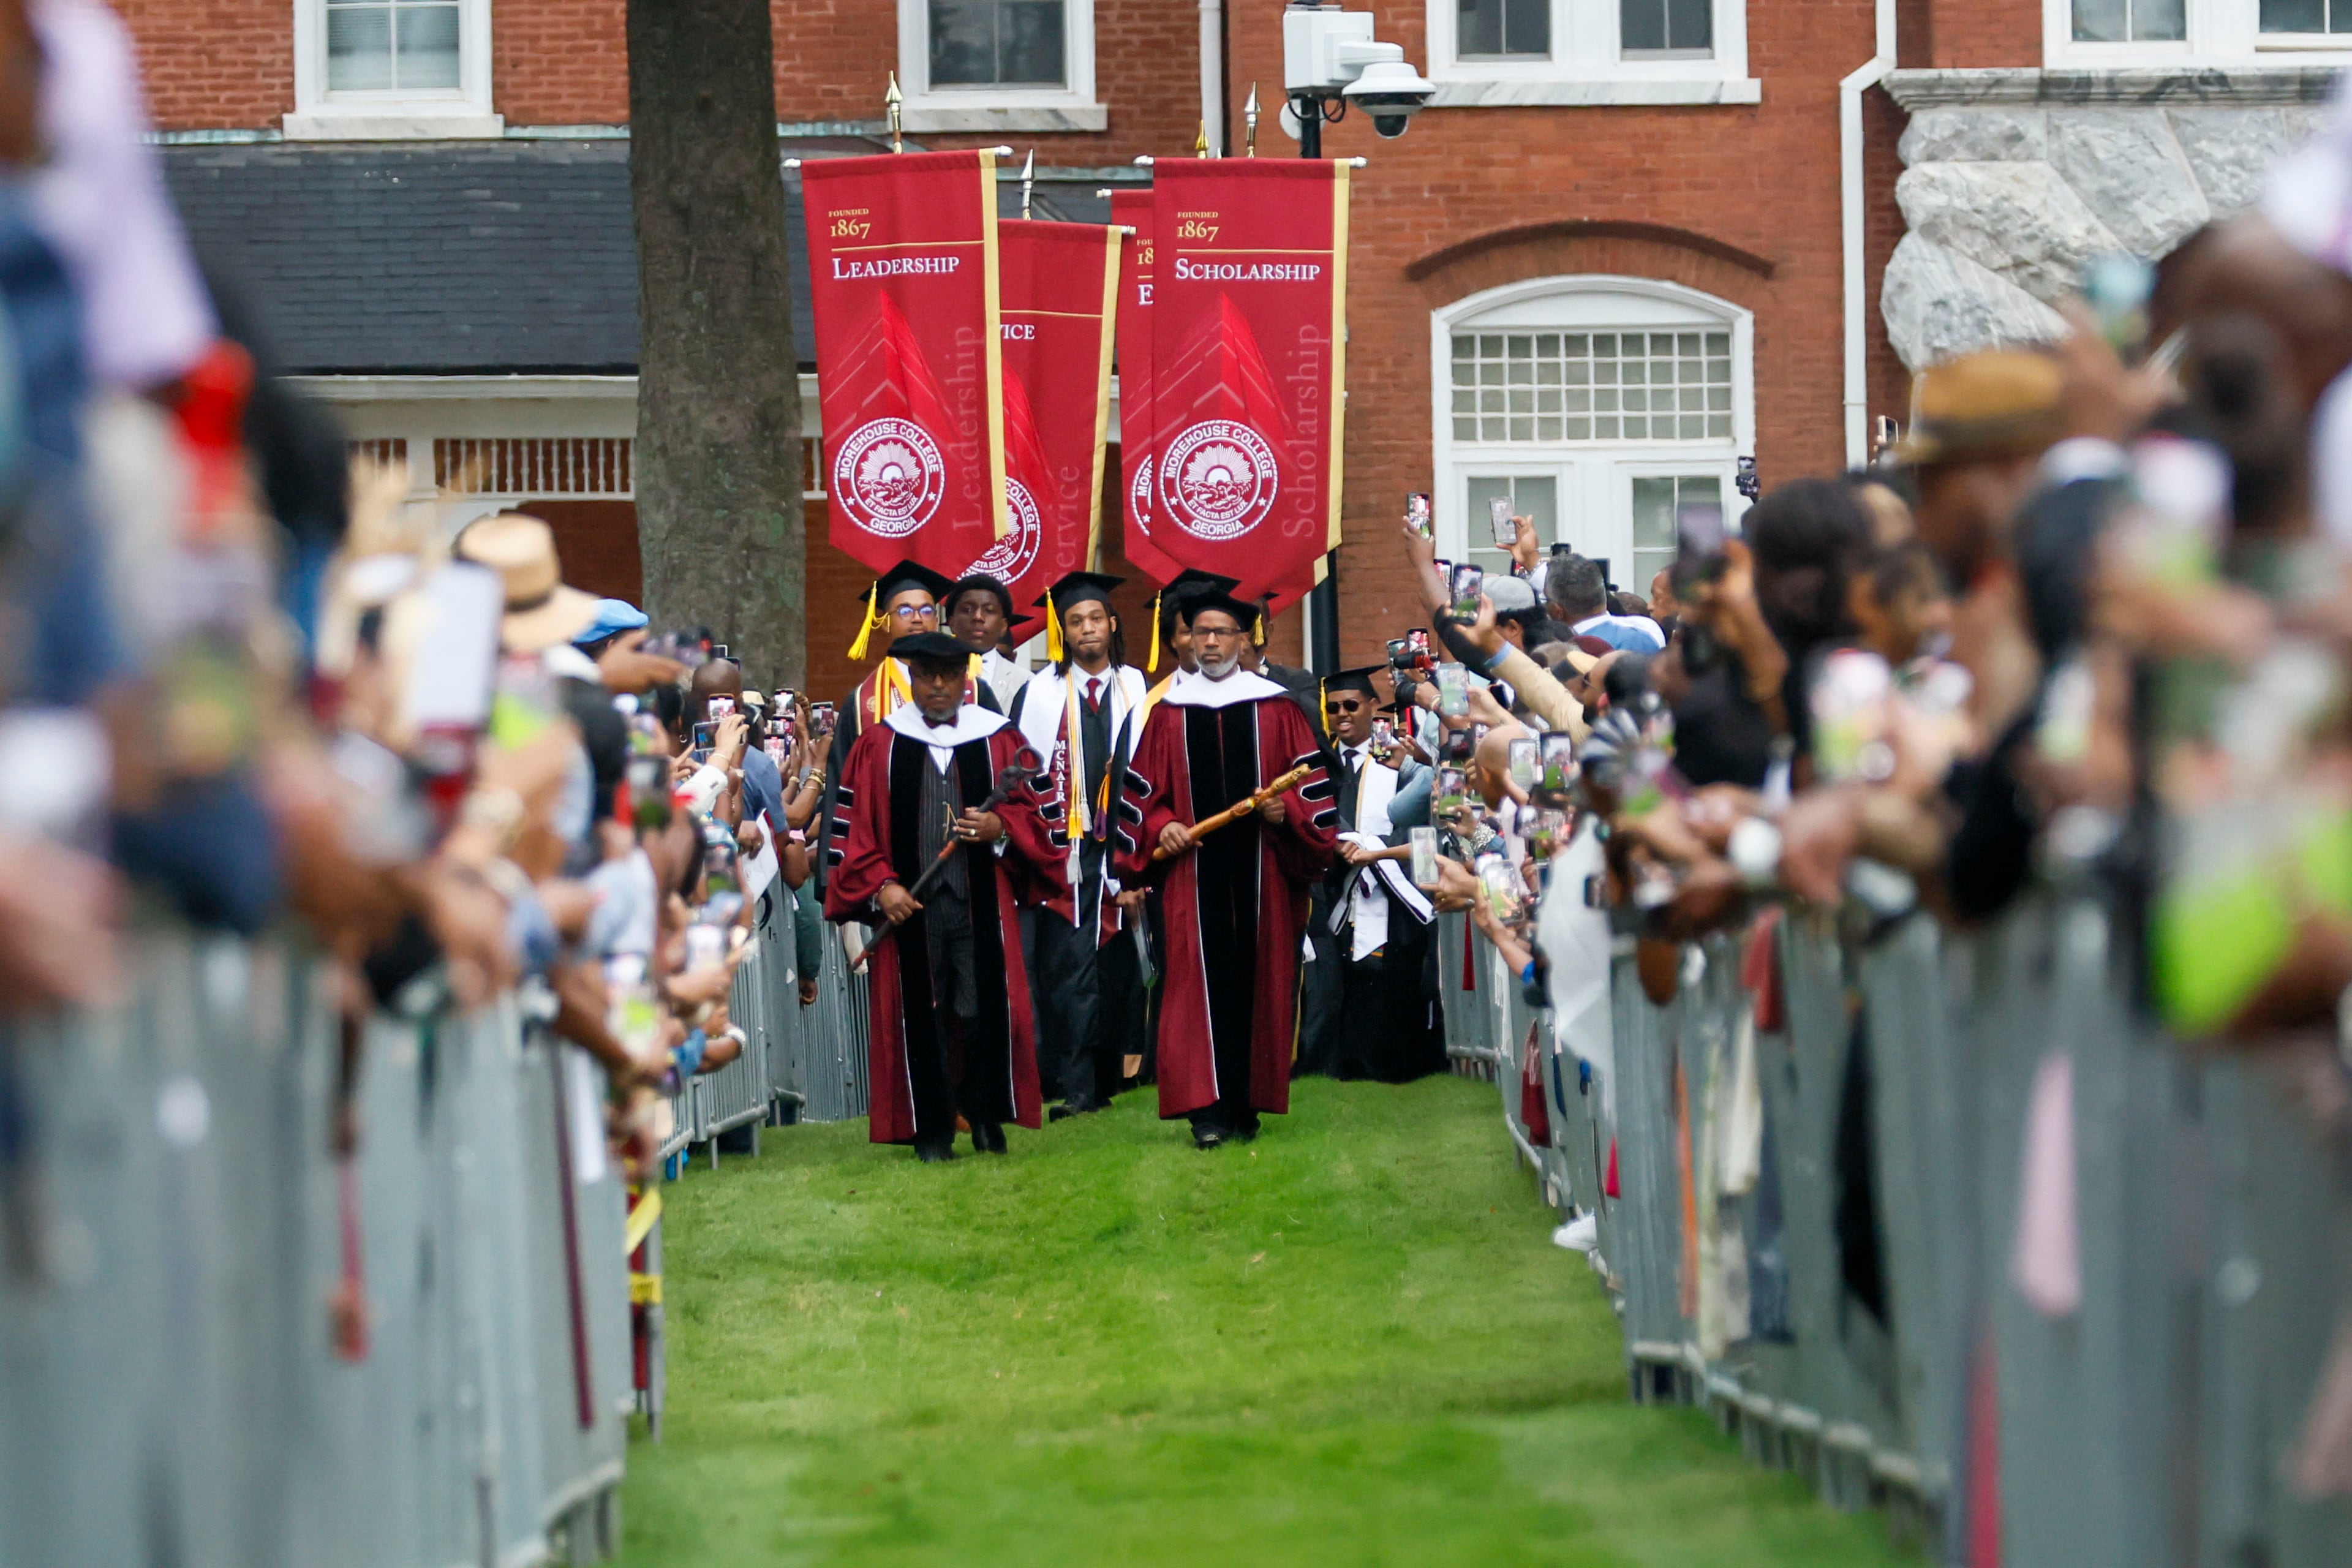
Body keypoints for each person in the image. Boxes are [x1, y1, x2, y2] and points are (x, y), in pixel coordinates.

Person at [822, 631, 1063, 1161]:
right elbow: (852, 831)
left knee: (984, 1008)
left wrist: (1001, 826)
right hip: (911, 905)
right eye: (927, 675)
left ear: (965, 679)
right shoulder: (879, 744)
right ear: (910, 679)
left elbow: (1039, 817)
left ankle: (985, 1118)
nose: (937, 685)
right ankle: (928, 1127)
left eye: (949, 675)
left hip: (980, 900)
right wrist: (882, 886)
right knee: (920, 1012)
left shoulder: (998, 738)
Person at [1115, 592, 1338, 1148]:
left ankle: (1247, 1105)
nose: (1210, 642)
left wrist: (1285, 812)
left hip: (1263, 873)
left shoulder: (1278, 708)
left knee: (1260, 983)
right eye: (1201, 633)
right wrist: (1162, 823)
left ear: (1245, 640)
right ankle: (1206, 1112)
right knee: (1193, 986)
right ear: (1187, 640)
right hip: (1193, 878)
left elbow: (1312, 787)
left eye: (1222, 633)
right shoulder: (1167, 714)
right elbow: (1141, 790)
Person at [1008, 571, 1149, 1117]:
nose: (1087, 629)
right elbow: (1024, 774)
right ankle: (1077, 1086)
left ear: (1113, 625)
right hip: (1065, 852)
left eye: (1096, 618)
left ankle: (1114, 1077)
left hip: (1125, 842)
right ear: (1062, 632)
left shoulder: (1137, 686)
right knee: (1069, 965)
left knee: (1117, 966)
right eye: (1075, 622)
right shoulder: (1038, 695)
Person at [1297, 665, 1444, 1082]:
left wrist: (1377, 853)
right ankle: (1341, 1063)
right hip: (1338, 887)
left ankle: (1393, 1063)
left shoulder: (1397, 759)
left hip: (1395, 888)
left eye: (1351, 705)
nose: (1342, 714)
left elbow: (1416, 819)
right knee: (1342, 977)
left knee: (1390, 976)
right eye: (1333, 708)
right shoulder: (1319, 763)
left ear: (1373, 707)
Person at [817, 559, 959, 891]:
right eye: (904, 611)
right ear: (884, 622)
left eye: (926, 611)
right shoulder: (862, 701)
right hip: (886, 859)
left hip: (959, 850)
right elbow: (842, 784)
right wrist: (832, 873)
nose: (917, 620)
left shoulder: (973, 690)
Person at [943, 571, 1028, 714]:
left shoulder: (1024, 681)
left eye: (989, 610)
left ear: (1003, 626)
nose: (978, 617)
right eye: (967, 610)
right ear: (951, 622)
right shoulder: (932, 675)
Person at [1548, 552, 1665, 652]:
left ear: (1558, 611)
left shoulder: (1560, 653)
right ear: (1602, 593)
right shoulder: (1646, 636)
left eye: (1546, 599)